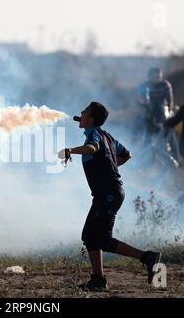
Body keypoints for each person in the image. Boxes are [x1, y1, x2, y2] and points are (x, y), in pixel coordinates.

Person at [58, 102, 161, 291]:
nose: (80, 113)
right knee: (89, 236)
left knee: (103, 240)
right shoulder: (109, 137)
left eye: (85, 111)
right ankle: (98, 280)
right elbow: (127, 155)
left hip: (109, 194)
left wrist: (70, 150)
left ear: (91, 119)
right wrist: (110, 166)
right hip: (106, 194)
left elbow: (92, 148)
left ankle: (148, 257)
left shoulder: (94, 135)